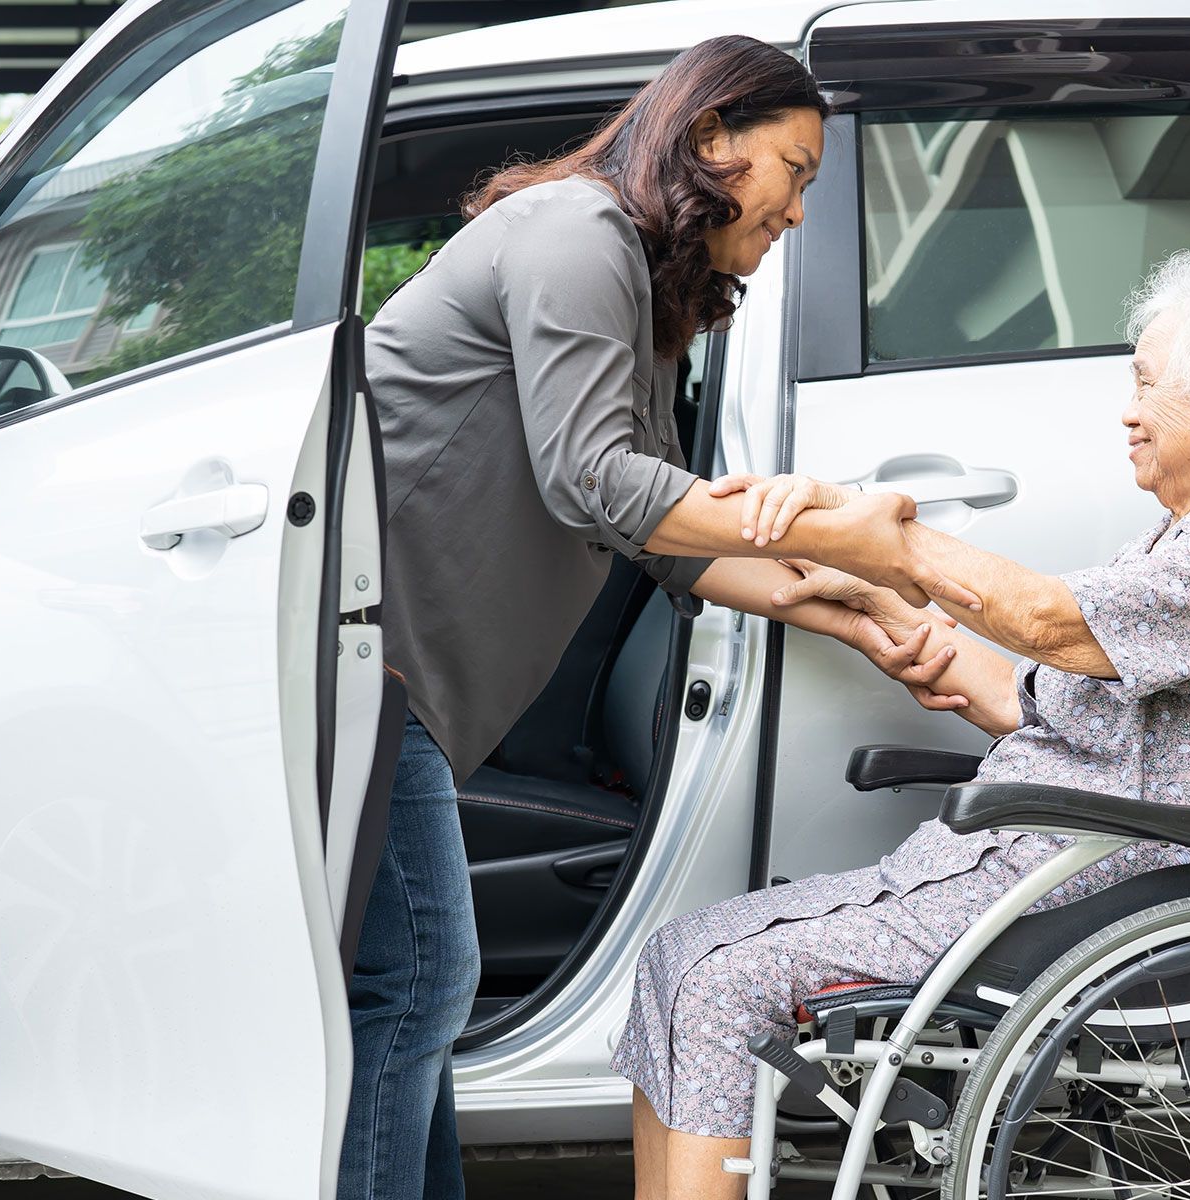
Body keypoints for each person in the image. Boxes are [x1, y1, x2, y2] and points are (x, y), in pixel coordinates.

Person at [346, 34, 971, 1200]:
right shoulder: (577, 236)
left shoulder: (624, 284)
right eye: (795, 169)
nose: (795, 211)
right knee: (418, 983)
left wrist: (844, 607)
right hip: (367, 664)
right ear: (709, 138)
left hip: (403, 680)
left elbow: (663, 540)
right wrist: (836, 528)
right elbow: (598, 482)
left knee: (409, 994)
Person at [610, 248, 1190, 1200]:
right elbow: (1035, 696)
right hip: (1022, 867)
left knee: (715, 984)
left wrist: (890, 533)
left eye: (1147, 384)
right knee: (678, 956)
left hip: (1065, 887)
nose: (1128, 408)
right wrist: (885, 601)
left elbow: (1043, 621)